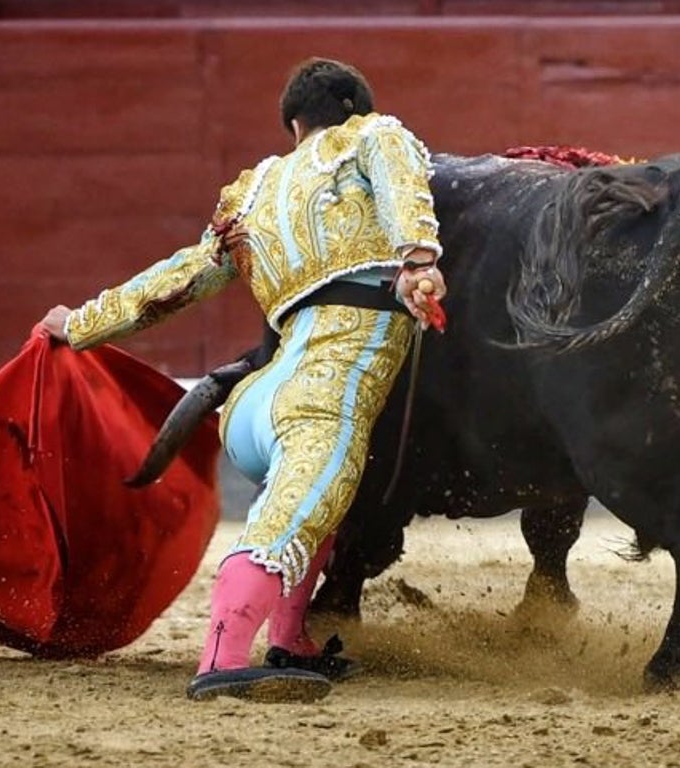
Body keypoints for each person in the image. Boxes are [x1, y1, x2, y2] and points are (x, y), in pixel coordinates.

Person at [40, 57, 446, 703]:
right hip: (323, 384)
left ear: (294, 124)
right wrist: (418, 260)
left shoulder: (252, 192)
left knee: (317, 507)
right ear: (356, 110)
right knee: (297, 510)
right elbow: (401, 186)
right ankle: (223, 657)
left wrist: (82, 323)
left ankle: (293, 641)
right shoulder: (374, 136)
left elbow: (178, 282)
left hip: (256, 402)